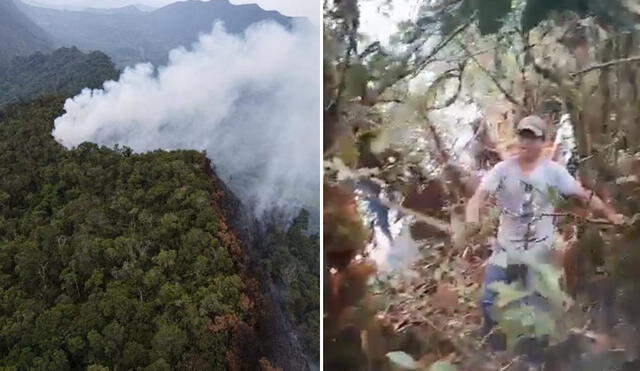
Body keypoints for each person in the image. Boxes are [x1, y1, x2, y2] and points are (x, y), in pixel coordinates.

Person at [465, 115, 626, 350]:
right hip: (506, 248)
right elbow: (477, 199)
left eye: (531, 137)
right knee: (489, 301)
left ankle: (533, 356)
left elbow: (583, 196)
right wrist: (471, 222)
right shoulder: (502, 170)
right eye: (522, 135)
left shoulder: (554, 172)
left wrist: (611, 215)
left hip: (540, 250)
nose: (525, 142)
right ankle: (493, 347)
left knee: (537, 309)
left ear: (543, 142)